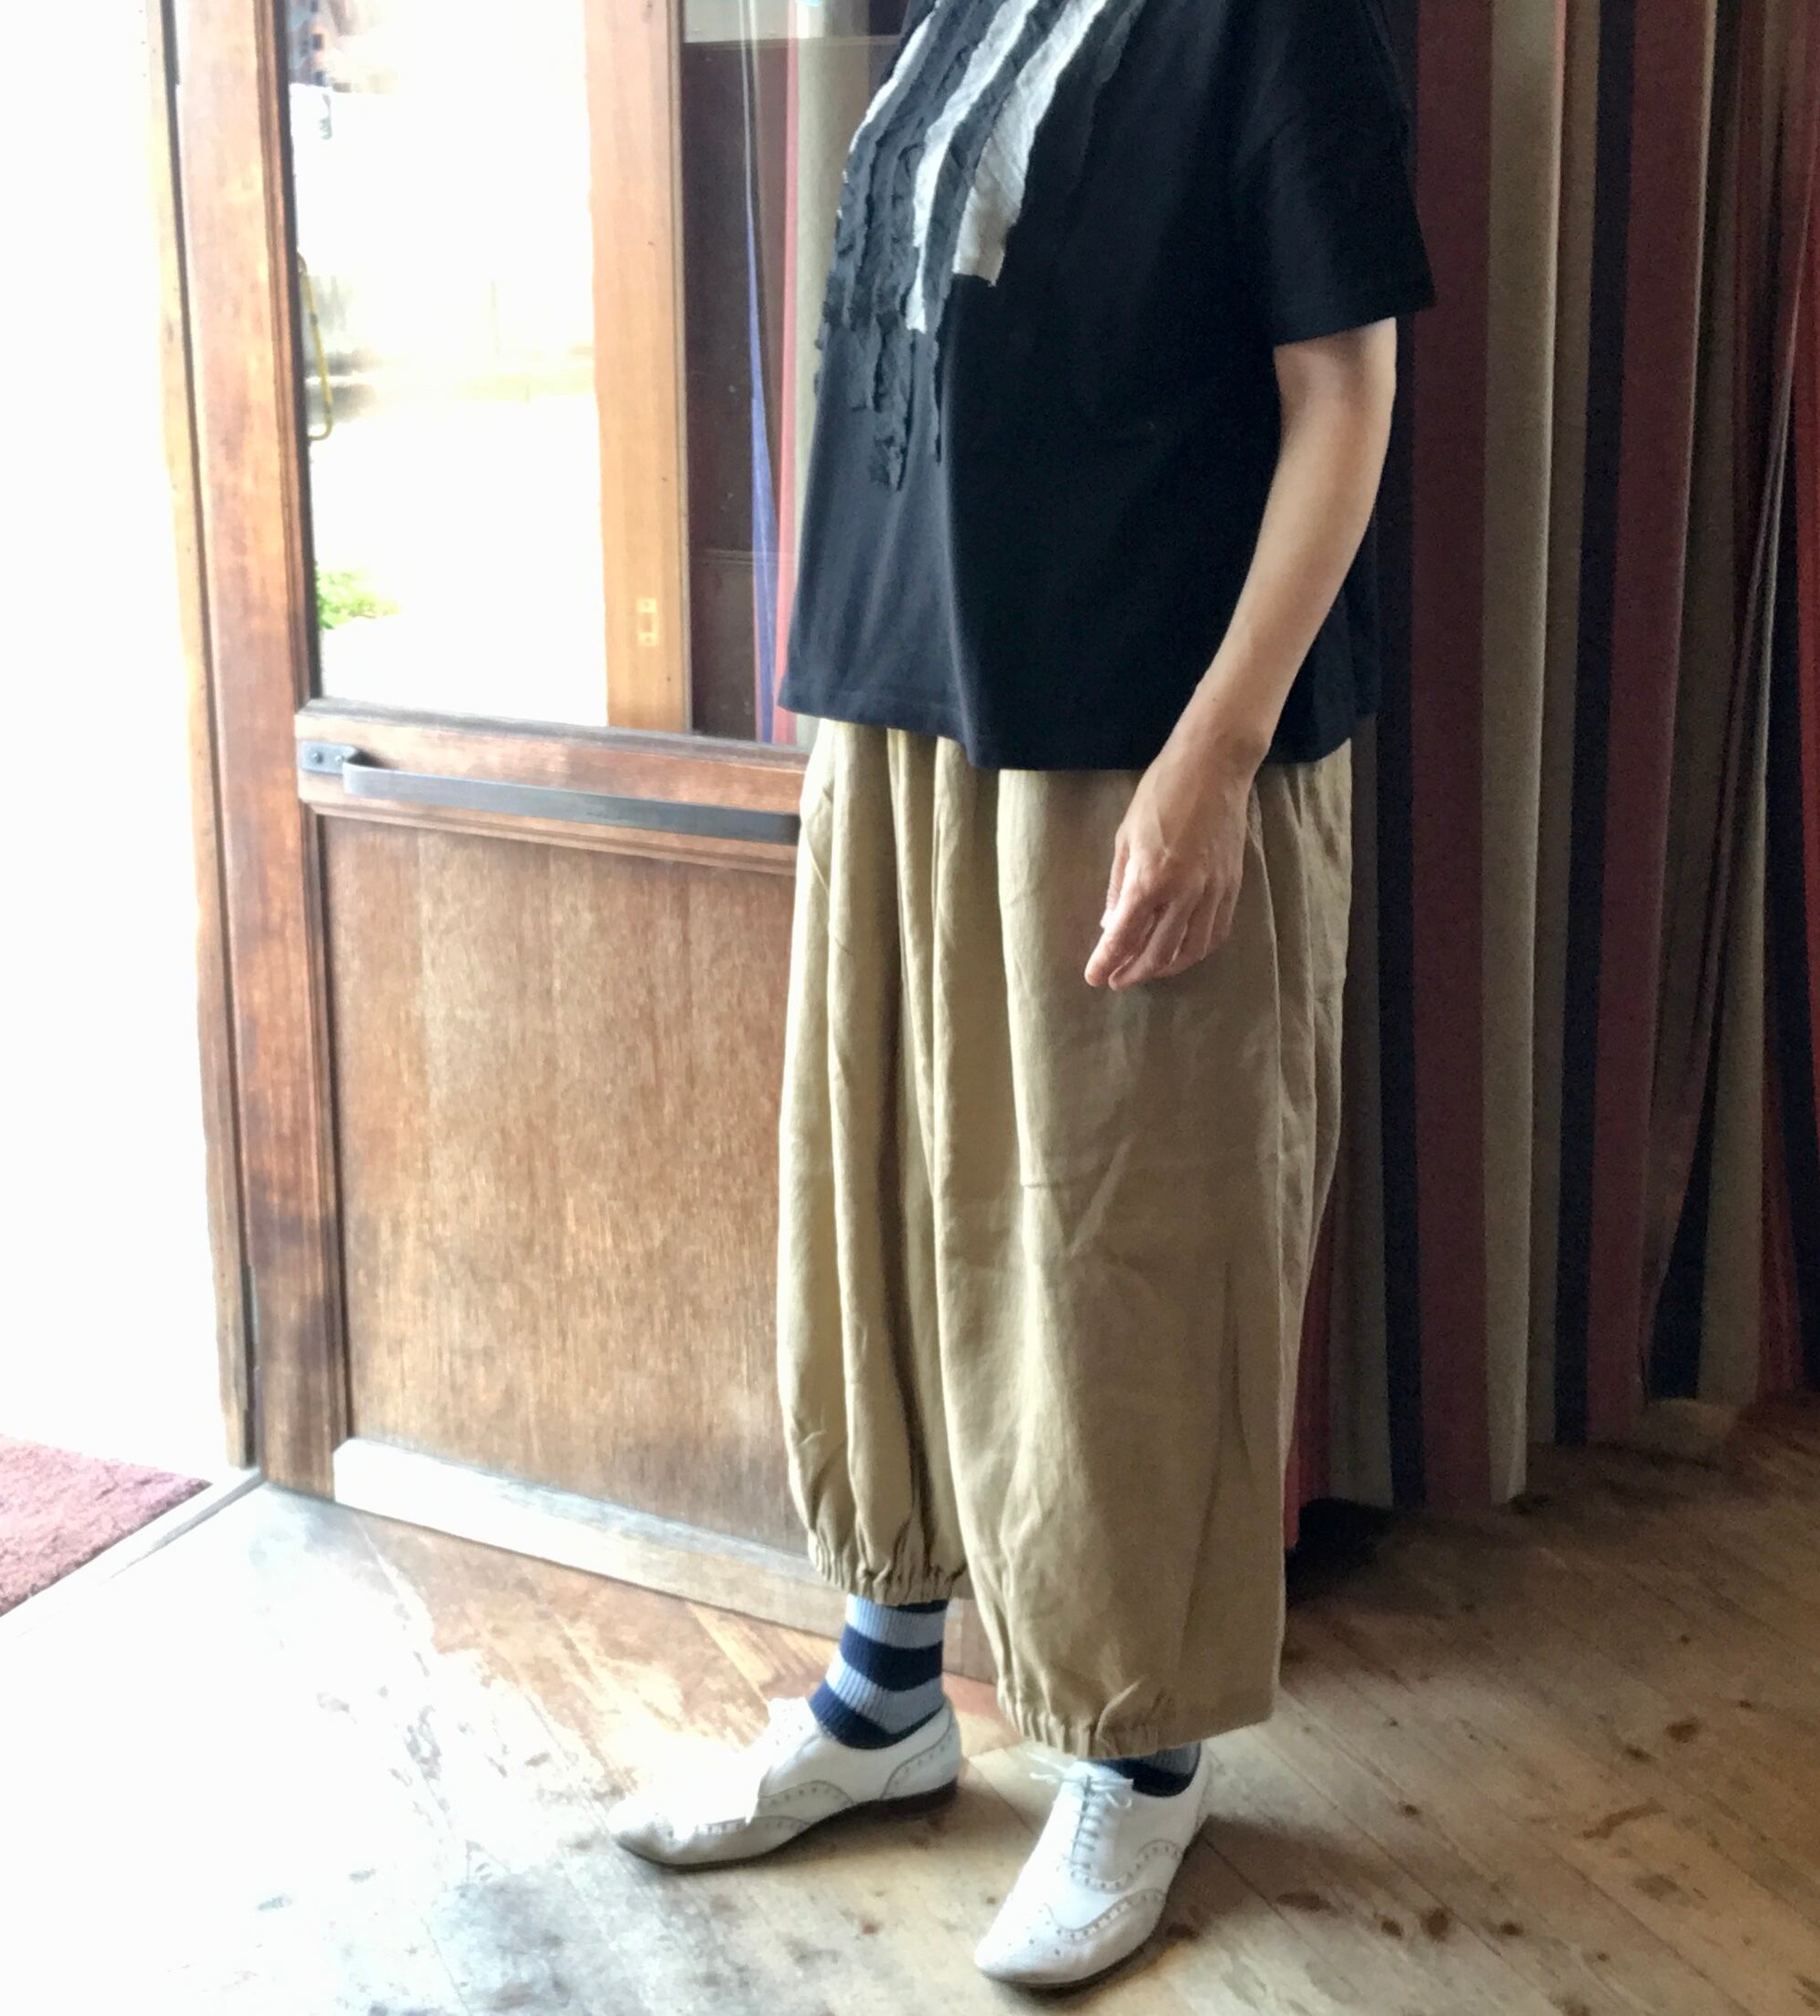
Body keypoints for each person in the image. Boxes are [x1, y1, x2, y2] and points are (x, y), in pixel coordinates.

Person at [608, 0, 1437, 1987]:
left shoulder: (1275, 27)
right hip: (905, 703)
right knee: (886, 1207)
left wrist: (1218, 754)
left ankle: (1141, 1758)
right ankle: (884, 1693)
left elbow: (1344, 394)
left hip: (1135, 725)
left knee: (1123, 1248)